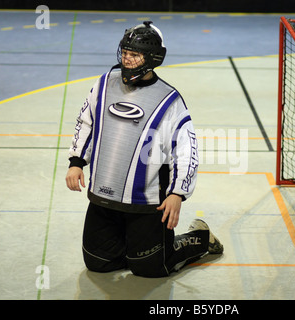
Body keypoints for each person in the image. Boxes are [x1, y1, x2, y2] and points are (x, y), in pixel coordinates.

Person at [65, 21, 223, 278]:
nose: (127, 60)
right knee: (98, 263)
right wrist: (76, 162)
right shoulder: (104, 84)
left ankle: (201, 238)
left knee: (151, 269)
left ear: (152, 58)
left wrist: (177, 194)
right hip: (104, 197)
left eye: (134, 55)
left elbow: (186, 150)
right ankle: (138, 246)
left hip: (148, 203)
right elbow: (86, 122)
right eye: (125, 53)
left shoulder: (170, 100)